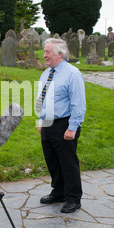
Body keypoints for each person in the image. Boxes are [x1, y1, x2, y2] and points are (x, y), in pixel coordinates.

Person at [36, 38, 86, 213]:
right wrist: (41, 120)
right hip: (48, 123)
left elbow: (78, 104)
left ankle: (73, 198)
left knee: (67, 162)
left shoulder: (72, 73)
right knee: (52, 161)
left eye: (47, 52)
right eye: (44, 51)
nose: (44, 55)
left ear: (59, 53)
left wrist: (72, 127)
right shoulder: (46, 73)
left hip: (65, 123)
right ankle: (59, 192)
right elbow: (42, 98)